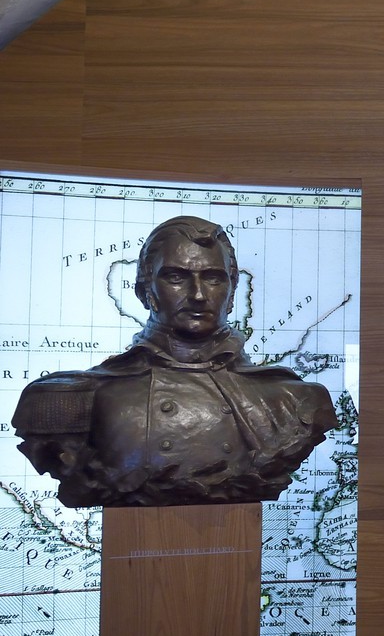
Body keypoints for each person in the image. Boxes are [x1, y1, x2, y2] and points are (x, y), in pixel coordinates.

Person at [12, 216, 337, 507]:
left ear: (232, 290)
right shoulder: (74, 399)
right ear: (145, 291)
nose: (197, 294)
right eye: (176, 277)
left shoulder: (293, 401)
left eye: (213, 278)